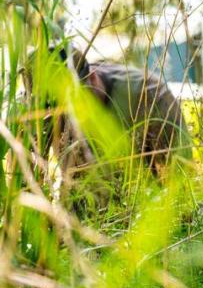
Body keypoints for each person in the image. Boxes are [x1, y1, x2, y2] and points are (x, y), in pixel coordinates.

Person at [27, 45, 193, 209]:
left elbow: (179, 183)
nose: (70, 114)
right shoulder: (44, 108)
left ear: (92, 77)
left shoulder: (149, 97)